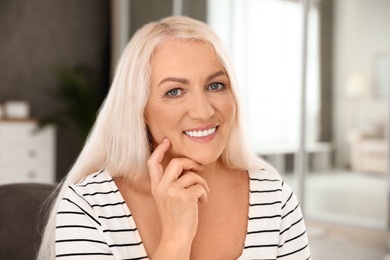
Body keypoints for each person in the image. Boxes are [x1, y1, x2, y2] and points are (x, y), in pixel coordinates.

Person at [38, 16, 311, 259]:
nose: (203, 111)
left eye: (215, 85)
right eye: (174, 91)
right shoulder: (89, 207)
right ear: (139, 109)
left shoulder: (273, 196)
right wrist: (176, 238)